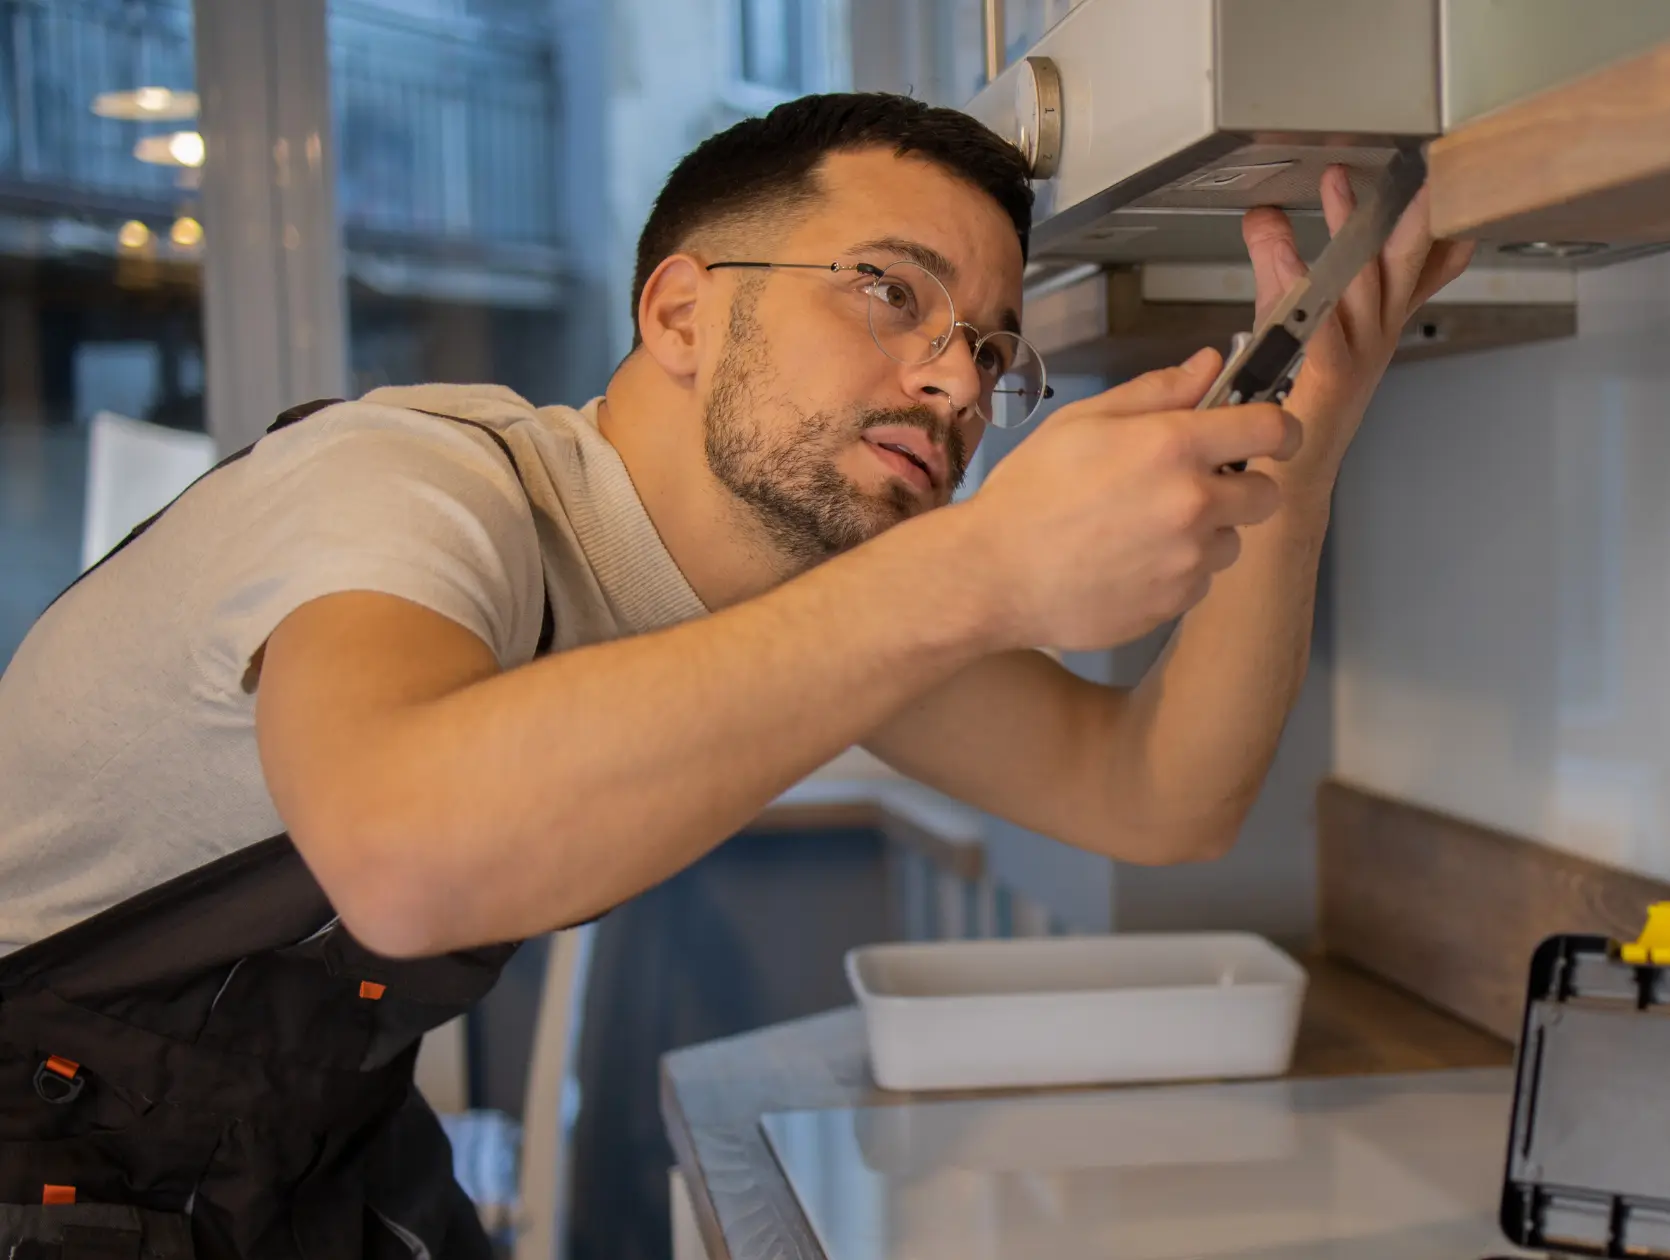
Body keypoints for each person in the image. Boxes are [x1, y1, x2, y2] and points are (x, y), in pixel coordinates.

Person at [0, 92, 1471, 1257]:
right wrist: (982, 567)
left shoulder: (818, 583)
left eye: (990, 347)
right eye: (888, 291)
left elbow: (1157, 796)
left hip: (300, 1164)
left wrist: (1311, 432)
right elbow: (403, 856)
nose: (958, 382)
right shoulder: (411, 486)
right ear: (681, 316)